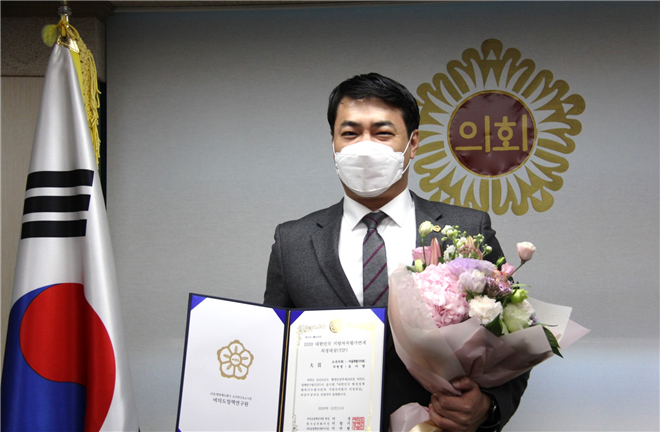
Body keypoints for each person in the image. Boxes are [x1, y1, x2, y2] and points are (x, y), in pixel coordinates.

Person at [264, 73, 529, 432]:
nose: (365, 146)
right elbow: (273, 351)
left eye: (382, 133)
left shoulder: (468, 230)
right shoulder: (293, 242)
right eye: (350, 133)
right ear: (333, 143)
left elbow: (513, 338)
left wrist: (487, 406)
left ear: (413, 143)